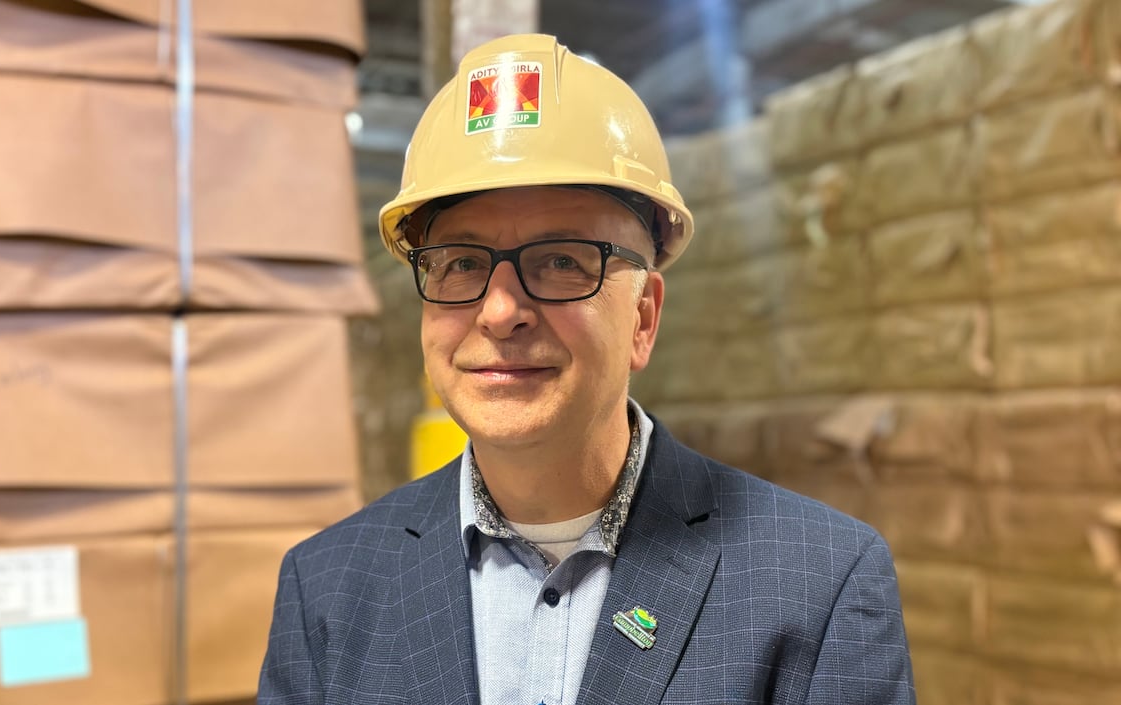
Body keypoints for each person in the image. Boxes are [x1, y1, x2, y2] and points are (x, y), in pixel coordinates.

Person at [258, 33, 915, 705]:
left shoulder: (816, 584)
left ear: (643, 318)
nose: (501, 310)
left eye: (561, 261)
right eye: (460, 263)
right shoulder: (329, 589)